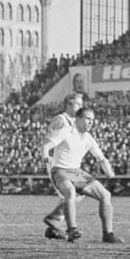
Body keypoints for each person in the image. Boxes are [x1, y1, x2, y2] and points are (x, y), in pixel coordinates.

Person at [40, 107, 123, 243]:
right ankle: (72, 229)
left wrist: (108, 170)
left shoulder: (88, 138)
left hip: (76, 172)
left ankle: (108, 234)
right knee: (70, 192)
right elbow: (45, 146)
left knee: (105, 195)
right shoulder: (65, 132)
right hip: (60, 170)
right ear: (78, 119)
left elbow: (101, 158)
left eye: (92, 120)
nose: (91, 122)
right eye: (87, 119)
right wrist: (46, 159)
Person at [42, 93, 85, 239]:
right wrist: (49, 162)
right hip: (59, 165)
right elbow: (47, 142)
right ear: (68, 105)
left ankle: (54, 227)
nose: (81, 107)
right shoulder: (61, 120)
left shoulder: (75, 122)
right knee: (71, 194)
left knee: (78, 193)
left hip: (70, 165)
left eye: (81, 104)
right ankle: (60, 222)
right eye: (77, 104)